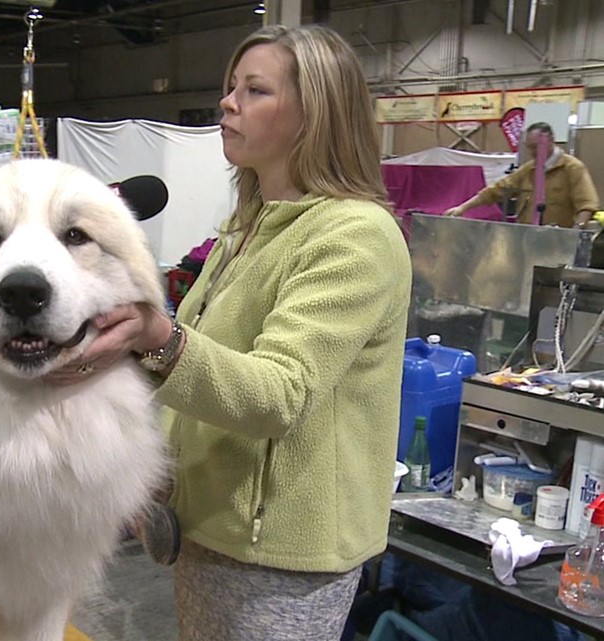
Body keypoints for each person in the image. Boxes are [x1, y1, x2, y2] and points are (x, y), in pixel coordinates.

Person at [55, 24, 412, 640]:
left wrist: (157, 337)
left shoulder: (355, 237)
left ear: (315, 114)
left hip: (280, 556)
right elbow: (198, 358)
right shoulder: (247, 226)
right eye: (230, 87)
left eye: (254, 90)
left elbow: (279, 394)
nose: (227, 102)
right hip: (212, 525)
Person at [444, 122, 599, 228]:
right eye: (529, 148)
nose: (532, 152)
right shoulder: (528, 169)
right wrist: (463, 207)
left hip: (557, 243)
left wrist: (576, 234)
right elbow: (496, 190)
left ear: (551, 140)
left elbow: (587, 205)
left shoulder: (573, 168)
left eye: (535, 147)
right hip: (527, 239)